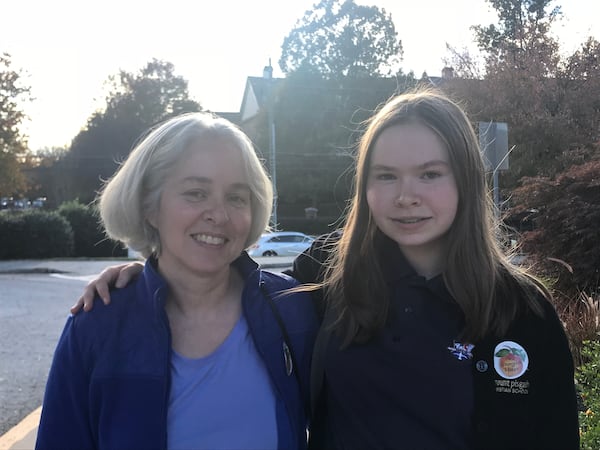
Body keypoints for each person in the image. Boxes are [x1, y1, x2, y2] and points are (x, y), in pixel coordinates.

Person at [75, 88, 580, 449]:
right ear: (364, 186)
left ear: (466, 181)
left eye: (430, 174)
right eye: (386, 176)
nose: (406, 196)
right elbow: (222, 275)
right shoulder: (327, 277)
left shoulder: (522, 311)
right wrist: (151, 275)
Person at [36, 112, 318, 450]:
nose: (219, 214)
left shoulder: (292, 310)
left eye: (236, 197)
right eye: (196, 193)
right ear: (149, 207)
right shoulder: (98, 325)